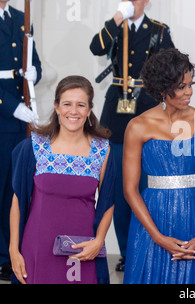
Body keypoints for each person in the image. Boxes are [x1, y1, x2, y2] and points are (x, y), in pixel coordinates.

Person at [122, 48, 195, 284]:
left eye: (190, 84)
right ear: (162, 89)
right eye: (181, 86)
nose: (189, 92)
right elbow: (129, 189)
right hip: (152, 222)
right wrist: (157, 237)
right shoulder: (138, 126)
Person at [90, 0, 175, 271]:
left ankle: (147, 245)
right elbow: (96, 47)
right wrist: (117, 18)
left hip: (147, 108)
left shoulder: (159, 31)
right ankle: (127, 251)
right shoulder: (115, 26)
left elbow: (171, 69)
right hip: (116, 113)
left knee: (147, 184)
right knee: (118, 185)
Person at [9, 75, 115, 284]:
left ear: (89, 109)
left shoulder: (102, 150)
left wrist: (99, 241)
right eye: (67, 104)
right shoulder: (33, 147)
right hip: (37, 247)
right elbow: (17, 201)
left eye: (81, 105)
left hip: (81, 249)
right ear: (57, 107)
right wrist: (14, 249)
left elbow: (107, 202)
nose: (73, 111)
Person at [0, 0, 42, 281]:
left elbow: (32, 61)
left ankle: (7, 253)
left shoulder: (20, 16)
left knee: (11, 191)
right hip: (6, 110)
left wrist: (34, 73)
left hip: (17, 122)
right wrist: (11, 105)